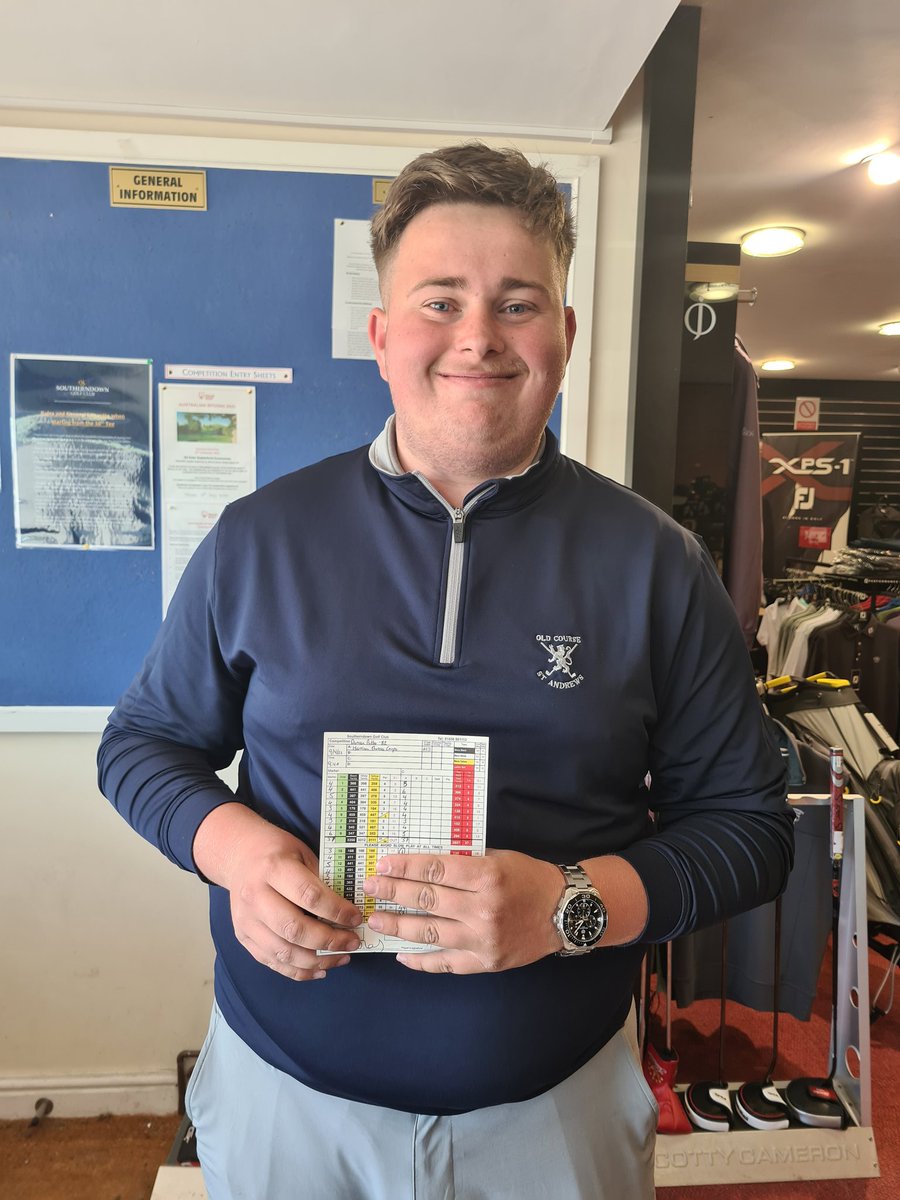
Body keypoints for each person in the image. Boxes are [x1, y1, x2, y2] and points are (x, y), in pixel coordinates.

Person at [98, 143, 793, 1200]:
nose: (478, 336)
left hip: (555, 1118)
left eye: (519, 303)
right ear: (381, 336)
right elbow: (143, 746)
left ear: (565, 336)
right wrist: (236, 854)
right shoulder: (259, 539)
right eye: (440, 301)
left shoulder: (655, 562)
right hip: (288, 1107)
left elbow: (751, 828)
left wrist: (569, 905)